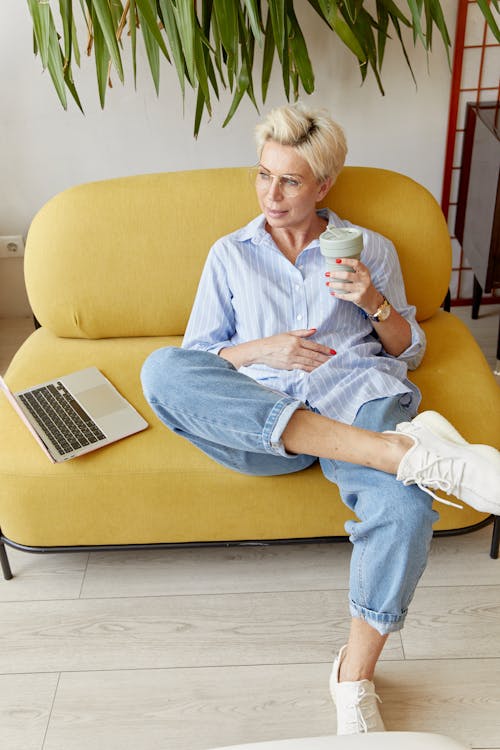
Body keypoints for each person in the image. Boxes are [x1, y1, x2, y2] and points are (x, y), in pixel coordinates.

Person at [141, 103, 500, 735]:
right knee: (159, 371)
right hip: (264, 417)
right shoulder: (231, 255)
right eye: (262, 176)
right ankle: (397, 452)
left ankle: (354, 679)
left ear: (324, 186)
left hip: (356, 395)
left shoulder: (370, 249)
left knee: (408, 510)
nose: (270, 195)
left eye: (290, 181)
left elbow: (408, 349)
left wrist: (375, 300)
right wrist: (264, 349)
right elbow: (197, 356)